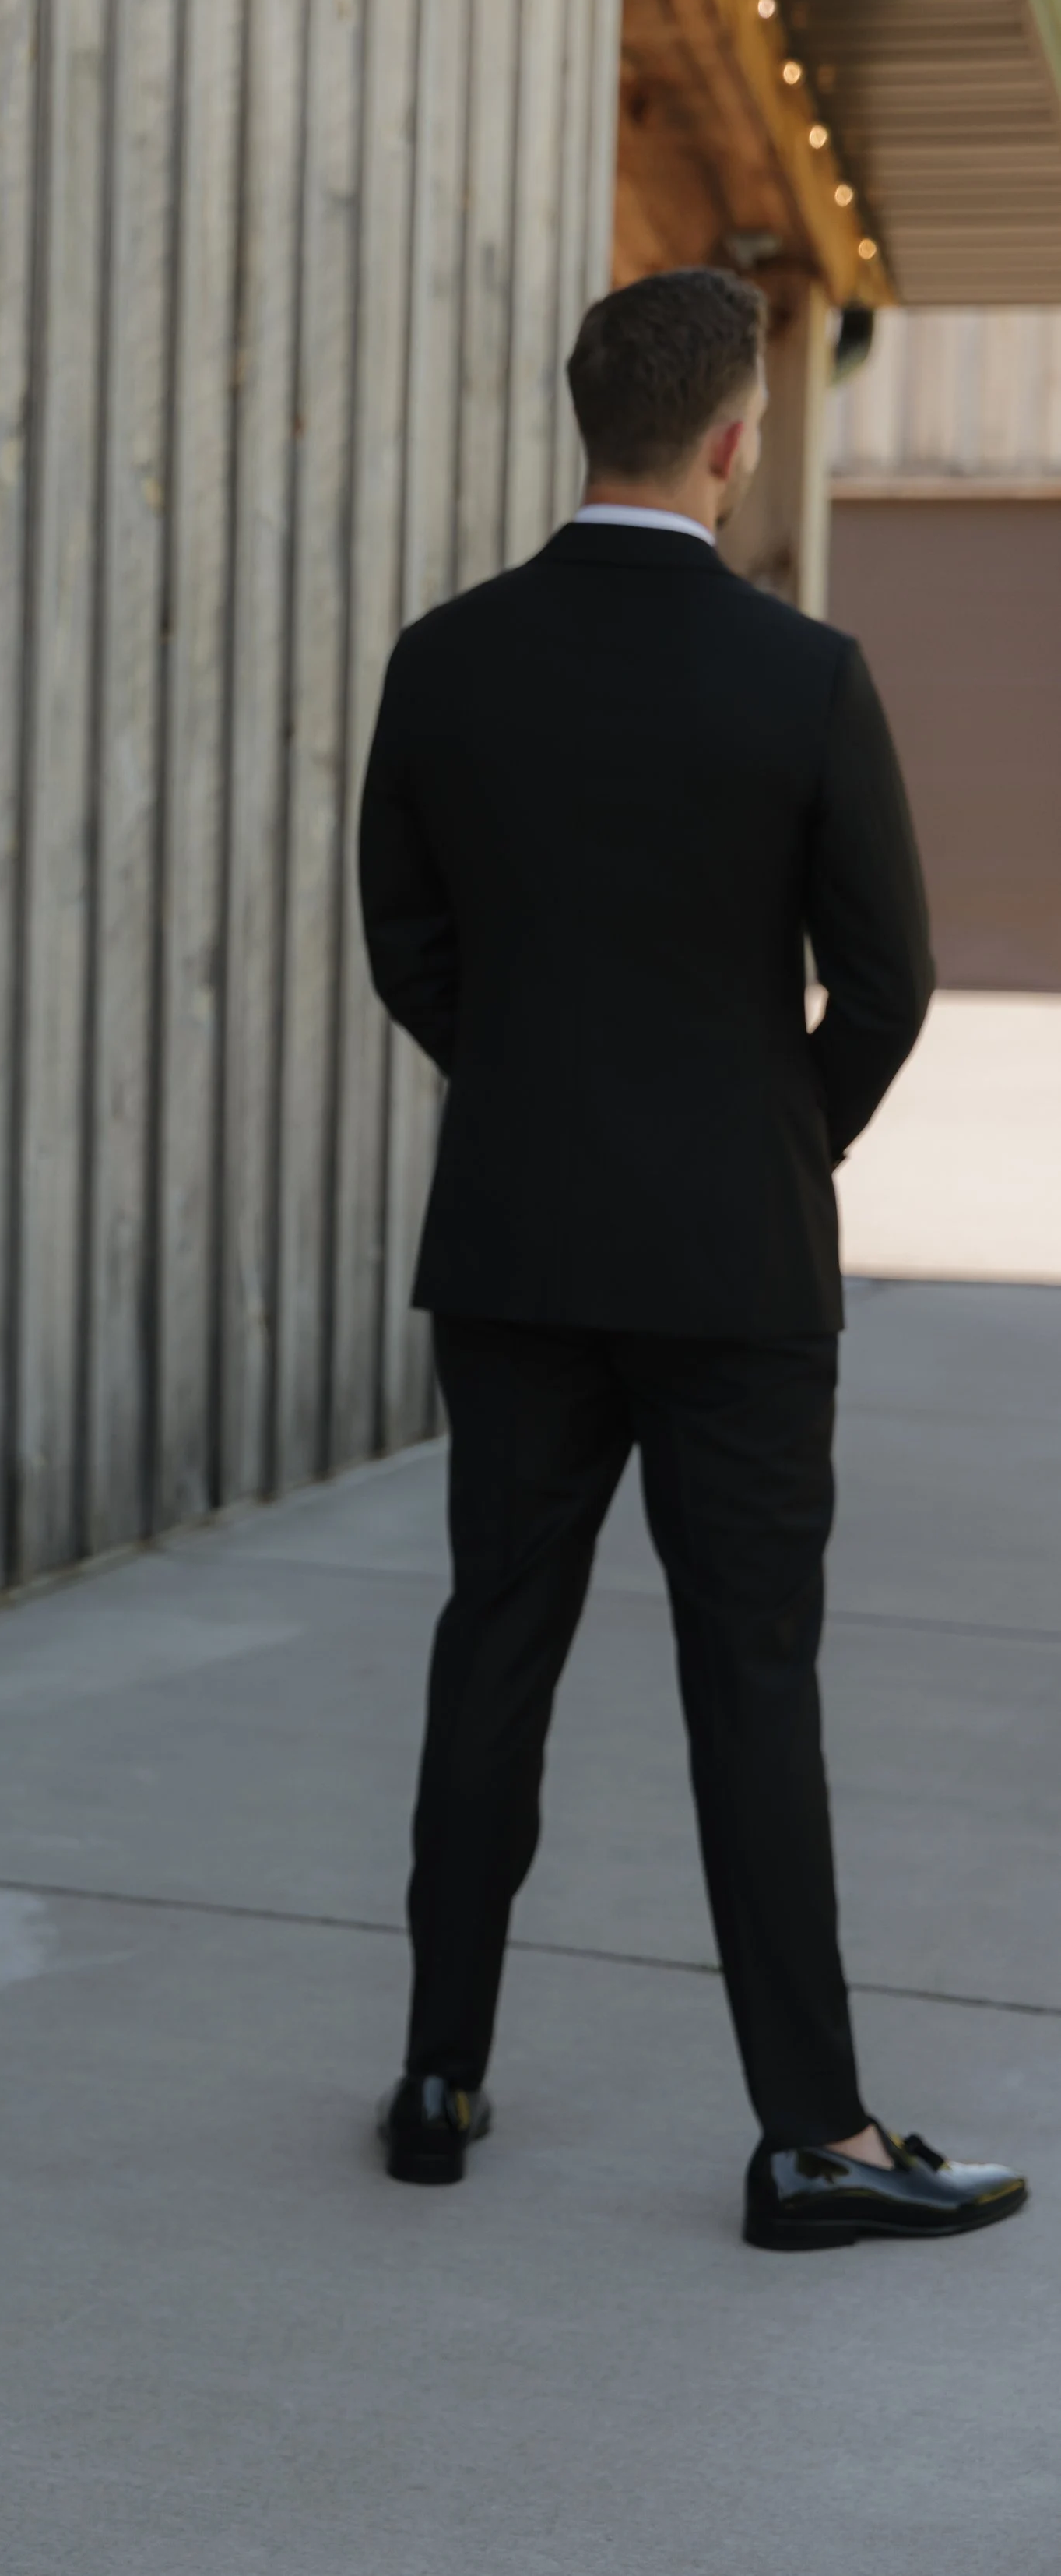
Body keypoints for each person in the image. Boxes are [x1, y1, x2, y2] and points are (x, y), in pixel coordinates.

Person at [357, 266, 1029, 2250]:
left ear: (590, 423)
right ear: (734, 439)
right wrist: (760, 1144)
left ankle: (434, 2074)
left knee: (492, 1646)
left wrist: (547, 1102)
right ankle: (809, 2132)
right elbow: (891, 981)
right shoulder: (799, 676)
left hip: (512, 1244)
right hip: (732, 1269)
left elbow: (409, 942)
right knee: (751, 1681)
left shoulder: (444, 658)